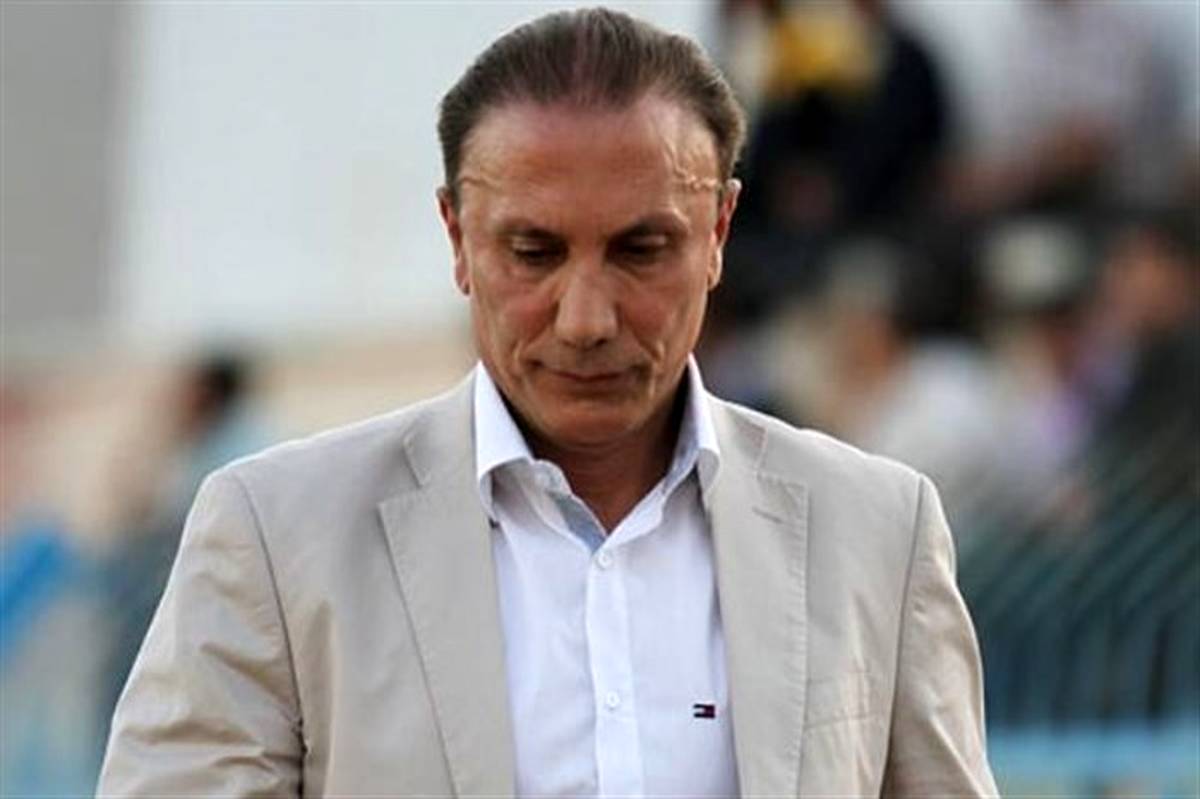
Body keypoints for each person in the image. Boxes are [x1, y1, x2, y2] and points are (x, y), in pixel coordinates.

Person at [98, 8, 997, 797]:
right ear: (458, 238)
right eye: (533, 253)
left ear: (719, 231)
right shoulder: (277, 537)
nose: (586, 318)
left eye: (642, 250)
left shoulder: (876, 532)